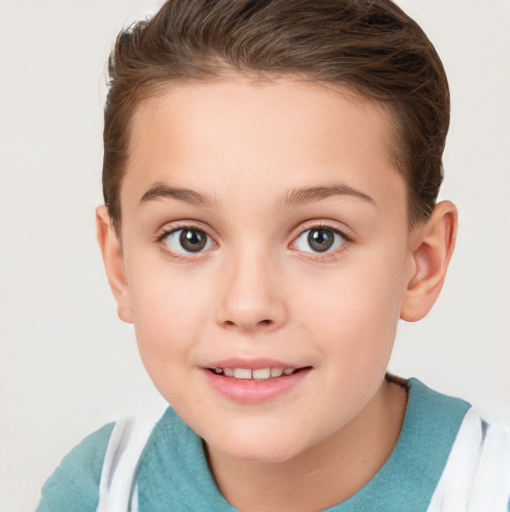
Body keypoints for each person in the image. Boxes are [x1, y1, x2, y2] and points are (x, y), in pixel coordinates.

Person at [36, 0, 510, 510]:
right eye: (189, 238)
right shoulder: (97, 489)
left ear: (421, 263)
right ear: (119, 265)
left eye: (320, 238)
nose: (247, 305)